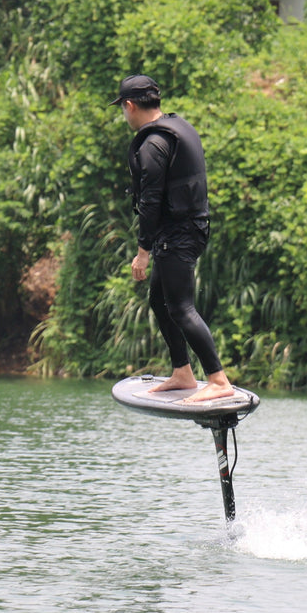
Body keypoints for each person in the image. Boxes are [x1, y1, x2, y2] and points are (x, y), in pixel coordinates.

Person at [110, 74, 234, 403]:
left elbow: (150, 201)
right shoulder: (176, 126)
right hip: (182, 228)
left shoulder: (153, 143)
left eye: (123, 108)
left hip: (178, 234)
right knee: (159, 301)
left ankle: (219, 380)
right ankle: (182, 372)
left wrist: (142, 253)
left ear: (130, 105)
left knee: (180, 307)